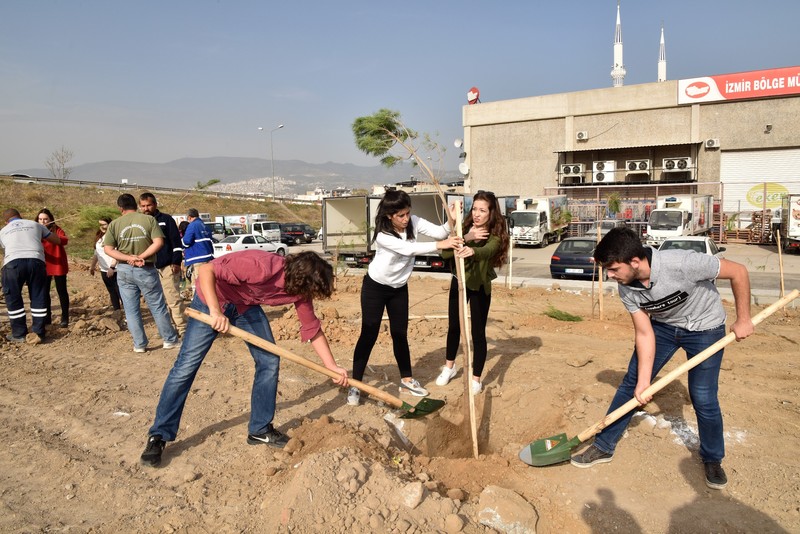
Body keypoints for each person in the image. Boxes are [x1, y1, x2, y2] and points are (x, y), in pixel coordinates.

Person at [569, 227, 753, 491]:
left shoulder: (682, 263)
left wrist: (743, 318)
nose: (609, 275)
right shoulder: (626, 288)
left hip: (706, 328)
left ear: (635, 262)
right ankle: (604, 445)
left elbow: (739, 272)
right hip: (664, 329)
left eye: (613, 268)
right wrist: (644, 382)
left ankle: (712, 458)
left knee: (703, 396)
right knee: (631, 385)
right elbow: (644, 333)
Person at [140, 250, 348, 467]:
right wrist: (215, 312)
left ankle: (259, 429)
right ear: (301, 281)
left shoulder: (300, 291)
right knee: (186, 366)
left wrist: (332, 367)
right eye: (312, 292)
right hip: (212, 299)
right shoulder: (261, 265)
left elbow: (311, 328)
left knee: (269, 360)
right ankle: (159, 435)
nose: (311, 297)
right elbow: (206, 270)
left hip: (244, 306)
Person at [347, 190, 462, 406]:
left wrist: (452, 218)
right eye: (400, 215)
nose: (406, 219)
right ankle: (356, 384)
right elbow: (409, 250)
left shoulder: (414, 222)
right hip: (375, 288)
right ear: (390, 215)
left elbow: (440, 232)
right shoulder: (383, 235)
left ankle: (407, 379)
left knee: (400, 333)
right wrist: (442, 245)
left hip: (399, 288)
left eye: (408, 213)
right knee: (368, 334)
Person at [436, 190, 510, 394]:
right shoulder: (464, 227)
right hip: (458, 283)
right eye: (475, 209)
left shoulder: (494, 235)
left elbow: (488, 251)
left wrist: (473, 250)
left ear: (491, 213)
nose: (477, 213)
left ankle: (476, 378)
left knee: (478, 333)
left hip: (480, 287)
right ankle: (449, 368)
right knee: (454, 327)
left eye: (482, 210)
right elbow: (444, 252)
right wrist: (466, 237)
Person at [103, 193, 180, 353]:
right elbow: (159, 242)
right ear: (136, 205)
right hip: (146, 268)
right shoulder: (149, 220)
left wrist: (128, 258)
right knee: (157, 306)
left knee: (131, 309)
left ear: (120, 209)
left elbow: (108, 249)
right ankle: (169, 340)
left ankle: (139, 344)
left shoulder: (115, 225)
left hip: (124, 270)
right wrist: (141, 257)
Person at [0, 208, 61, 342]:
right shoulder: (35, 225)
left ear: (6, 222)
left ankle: (19, 334)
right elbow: (57, 240)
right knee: (38, 295)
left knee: (13, 298)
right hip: (36, 262)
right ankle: (38, 332)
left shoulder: (3, 231)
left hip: (13, 264)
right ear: (21, 216)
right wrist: (44, 231)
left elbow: (5, 250)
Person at [139, 192, 186, 335]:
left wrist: (176, 261)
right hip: (148, 268)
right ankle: (166, 330)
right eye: (143, 206)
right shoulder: (140, 223)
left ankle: (182, 329)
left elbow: (176, 243)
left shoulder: (166, 220)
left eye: (149, 205)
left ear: (155, 205)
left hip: (167, 267)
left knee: (173, 299)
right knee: (156, 302)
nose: (146, 208)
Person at [37, 208, 70, 327]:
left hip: (57, 263)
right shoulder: (35, 229)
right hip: (43, 264)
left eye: (45, 219)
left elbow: (65, 240)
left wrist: (51, 236)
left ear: (50, 219)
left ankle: (65, 317)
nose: (42, 221)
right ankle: (47, 317)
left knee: (61, 291)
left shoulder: (56, 229)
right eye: (40, 219)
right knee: (44, 292)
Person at [89, 217, 121, 310]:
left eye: (104, 224)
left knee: (120, 292)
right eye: (100, 224)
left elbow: (117, 253)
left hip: (115, 269)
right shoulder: (99, 238)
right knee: (112, 292)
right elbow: (96, 254)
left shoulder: (114, 236)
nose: (102, 227)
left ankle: (128, 314)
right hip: (104, 269)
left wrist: (112, 267)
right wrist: (92, 266)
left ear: (109, 224)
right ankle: (117, 311)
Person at [181, 208, 215, 295]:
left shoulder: (192, 226)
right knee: (208, 281)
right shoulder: (205, 225)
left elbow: (187, 241)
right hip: (208, 256)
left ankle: (199, 302)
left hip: (197, 258)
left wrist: (181, 243)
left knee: (198, 282)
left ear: (189, 217)